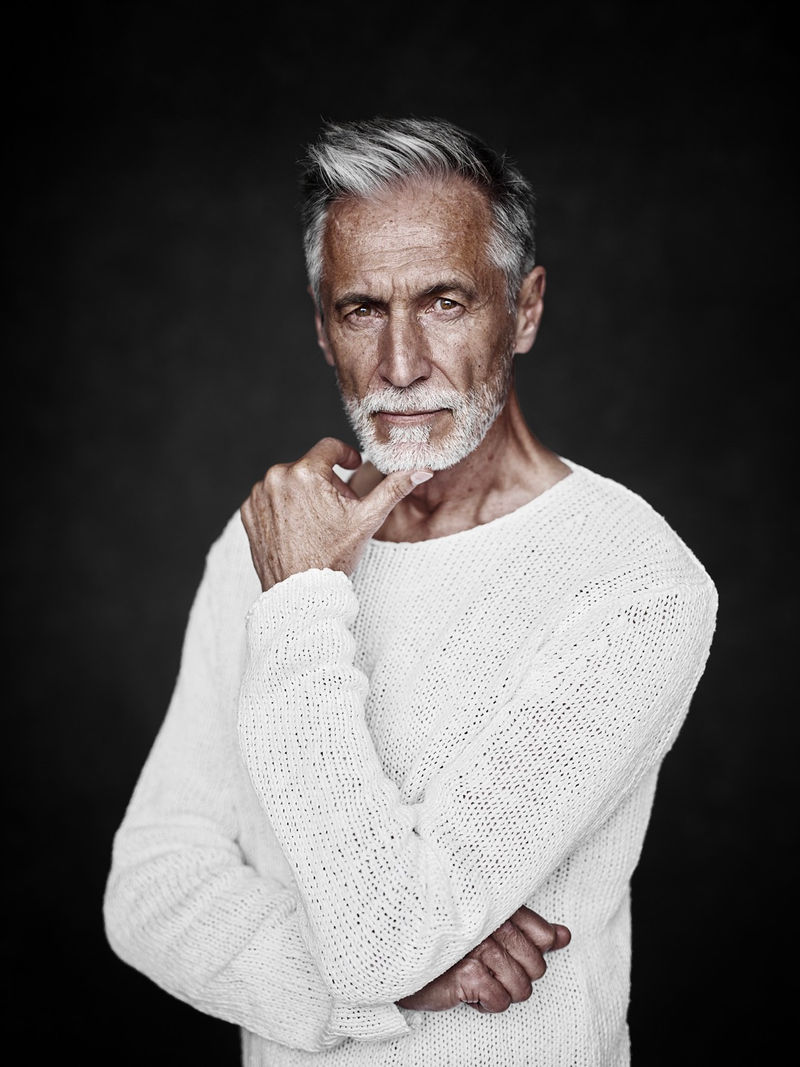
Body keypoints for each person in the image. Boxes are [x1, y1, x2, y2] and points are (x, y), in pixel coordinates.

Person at [104, 117, 717, 1066]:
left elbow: (379, 940)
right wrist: (387, 981)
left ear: (524, 309)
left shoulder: (635, 583)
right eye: (362, 309)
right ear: (322, 328)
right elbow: (149, 889)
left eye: (444, 301)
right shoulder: (271, 541)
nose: (400, 365)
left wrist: (302, 601)